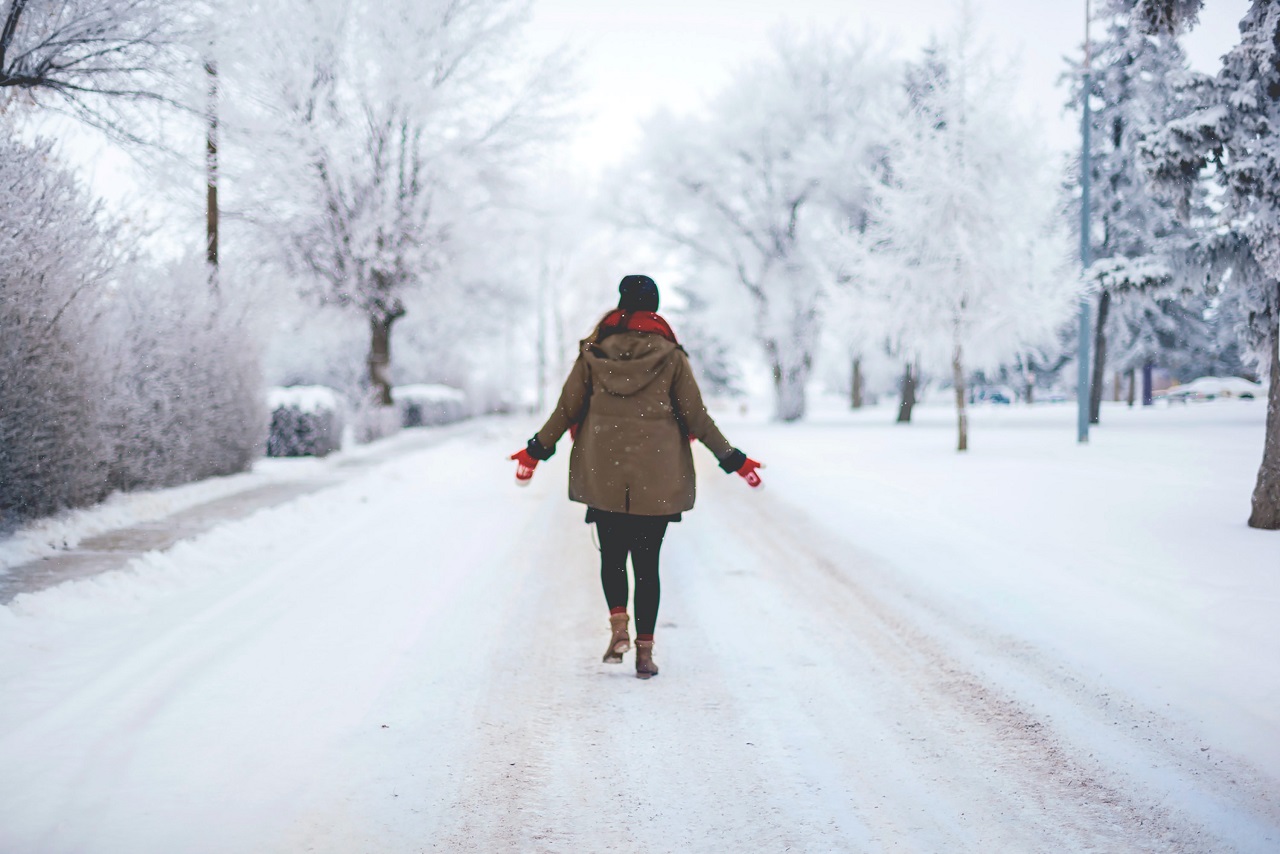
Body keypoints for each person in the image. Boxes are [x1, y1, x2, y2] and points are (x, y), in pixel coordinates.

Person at [510, 274, 762, 680]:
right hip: (657, 477)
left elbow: (566, 410)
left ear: (622, 305)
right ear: (655, 308)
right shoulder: (672, 357)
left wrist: (536, 450)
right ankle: (645, 655)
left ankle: (619, 627)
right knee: (648, 565)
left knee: (611, 556)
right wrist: (734, 460)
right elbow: (696, 417)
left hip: (602, 470)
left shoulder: (594, 353)